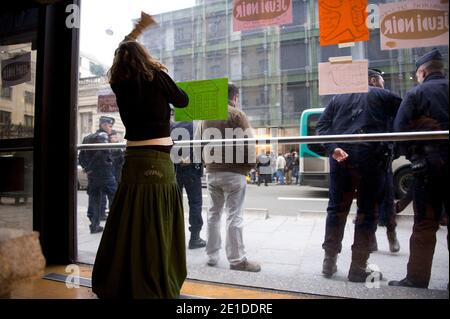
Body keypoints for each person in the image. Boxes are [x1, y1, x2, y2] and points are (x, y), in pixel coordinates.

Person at [92, 40, 189, 299]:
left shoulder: (118, 84)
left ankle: (123, 277)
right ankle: (155, 277)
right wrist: (158, 69)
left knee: (130, 218)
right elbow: (182, 100)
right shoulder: (157, 77)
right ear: (145, 56)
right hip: (158, 158)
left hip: (133, 156)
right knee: (157, 220)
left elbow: (124, 68)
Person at [316, 68, 402, 282]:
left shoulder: (338, 98)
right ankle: (357, 267)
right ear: (373, 80)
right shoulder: (384, 95)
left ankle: (329, 262)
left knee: (336, 209)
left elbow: (322, 126)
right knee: (367, 212)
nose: (382, 84)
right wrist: (394, 149)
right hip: (372, 159)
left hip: (341, 159)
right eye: (381, 80)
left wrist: (332, 148)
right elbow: (405, 120)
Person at [389, 49, 449, 289]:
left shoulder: (416, 93)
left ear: (423, 72)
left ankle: (417, 278)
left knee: (425, 224)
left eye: (417, 74)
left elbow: (399, 130)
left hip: (429, 168)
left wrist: (411, 155)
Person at [201, 83, 261, 272]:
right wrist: (251, 166)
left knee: (213, 214)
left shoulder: (206, 116)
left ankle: (211, 256)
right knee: (234, 215)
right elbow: (250, 143)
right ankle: (236, 260)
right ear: (235, 97)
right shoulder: (237, 114)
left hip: (212, 172)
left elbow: (200, 143)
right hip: (234, 172)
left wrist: (207, 164)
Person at [170, 118, 206, 250]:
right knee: (195, 203)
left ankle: (174, 236)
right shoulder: (197, 124)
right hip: (192, 168)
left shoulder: (173, 125)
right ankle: (194, 238)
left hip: (175, 168)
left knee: (174, 203)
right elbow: (205, 143)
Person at [79, 116, 117, 233]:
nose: (111, 129)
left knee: (94, 199)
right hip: (104, 173)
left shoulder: (87, 138)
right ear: (103, 125)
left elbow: (81, 157)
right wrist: (91, 167)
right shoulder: (104, 136)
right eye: (110, 126)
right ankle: (116, 225)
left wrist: (87, 168)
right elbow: (101, 154)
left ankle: (94, 225)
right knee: (115, 197)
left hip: (92, 176)